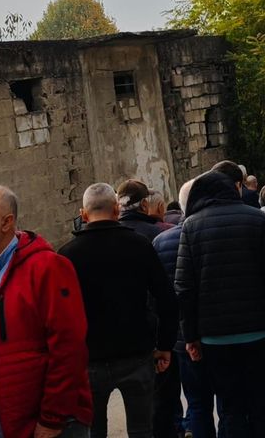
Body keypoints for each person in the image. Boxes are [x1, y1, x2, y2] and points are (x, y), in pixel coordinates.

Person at [58, 183, 178, 438]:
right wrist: (165, 344)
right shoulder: (139, 245)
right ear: (116, 210)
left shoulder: (67, 255)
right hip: (137, 353)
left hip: (90, 358)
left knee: (95, 430)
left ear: (83, 214)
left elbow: (60, 314)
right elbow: (166, 298)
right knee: (142, 429)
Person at [175, 162, 265, 438]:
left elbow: (184, 287)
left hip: (214, 337)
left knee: (229, 406)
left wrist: (191, 336)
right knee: (259, 403)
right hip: (255, 331)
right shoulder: (255, 218)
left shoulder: (191, 227)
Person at [0, 185, 92, 438]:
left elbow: (69, 348)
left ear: (7, 222)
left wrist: (51, 420)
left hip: (40, 427)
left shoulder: (47, 268)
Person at [152, 180, 220, 438]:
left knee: (198, 403)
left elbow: (159, 294)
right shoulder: (212, 234)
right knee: (225, 401)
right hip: (217, 330)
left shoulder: (161, 241)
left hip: (182, 336)